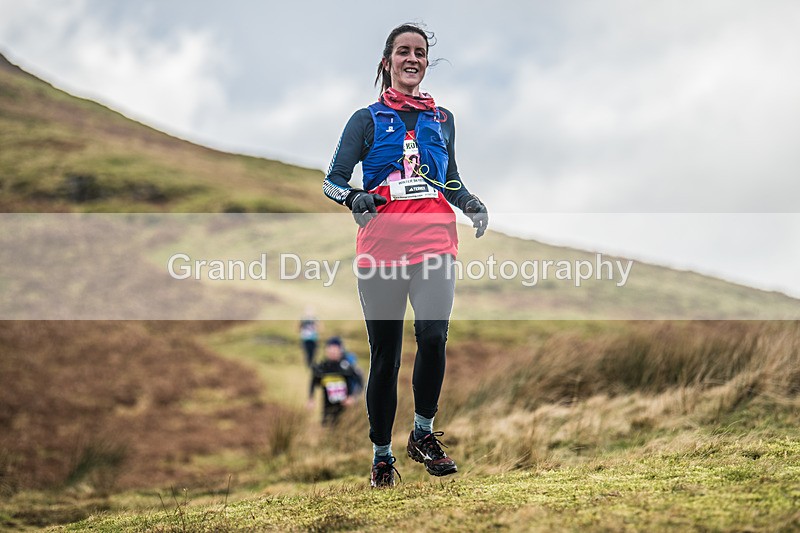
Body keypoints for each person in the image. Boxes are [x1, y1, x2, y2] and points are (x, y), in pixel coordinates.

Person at [322, 22, 489, 488]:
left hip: (436, 240)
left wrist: (470, 202)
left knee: (434, 335)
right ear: (387, 62)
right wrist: (355, 197)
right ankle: (380, 456)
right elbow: (331, 180)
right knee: (386, 358)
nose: (412, 58)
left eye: (420, 52)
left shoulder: (444, 119)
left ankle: (423, 434)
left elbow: (449, 178)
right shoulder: (366, 119)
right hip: (381, 249)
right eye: (403, 52)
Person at [307, 336, 359, 426]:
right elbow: (313, 382)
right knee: (327, 428)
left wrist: (352, 397)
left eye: (335, 349)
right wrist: (311, 399)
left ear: (340, 351)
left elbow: (359, 381)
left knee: (345, 429)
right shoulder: (322, 367)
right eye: (330, 349)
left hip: (346, 407)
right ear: (326, 350)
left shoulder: (346, 367)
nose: (333, 352)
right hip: (327, 407)